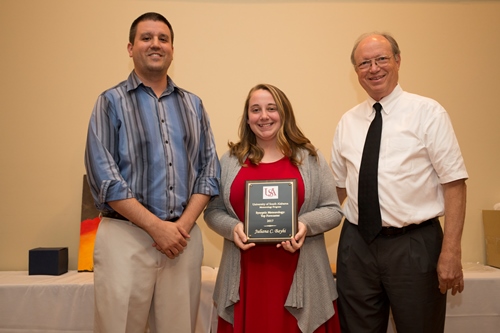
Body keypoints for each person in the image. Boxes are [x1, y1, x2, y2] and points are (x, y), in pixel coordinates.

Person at [84, 12, 220, 333]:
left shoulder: (194, 105)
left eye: (163, 38)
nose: (155, 44)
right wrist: (157, 228)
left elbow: (209, 171)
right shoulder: (110, 102)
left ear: (172, 49)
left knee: (180, 328)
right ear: (131, 48)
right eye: (146, 38)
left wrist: (181, 226)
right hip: (124, 239)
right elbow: (105, 179)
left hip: (182, 242)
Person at [330, 32, 468, 333]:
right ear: (356, 72)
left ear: (398, 60)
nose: (373, 68)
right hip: (356, 246)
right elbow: (339, 189)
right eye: (364, 62)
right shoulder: (347, 122)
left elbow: (454, 183)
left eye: (381, 59)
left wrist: (451, 251)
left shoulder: (428, 113)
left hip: (414, 246)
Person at [204, 83, 343, 333]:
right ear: (247, 119)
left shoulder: (310, 158)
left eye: (271, 108)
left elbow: (333, 210)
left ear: (284, 113)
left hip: (300, 274)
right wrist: (232, 227)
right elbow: (212, 211)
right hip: (245, 275)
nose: (264, 116)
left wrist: (304, 225)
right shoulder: (230, 161)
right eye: (255, 109)